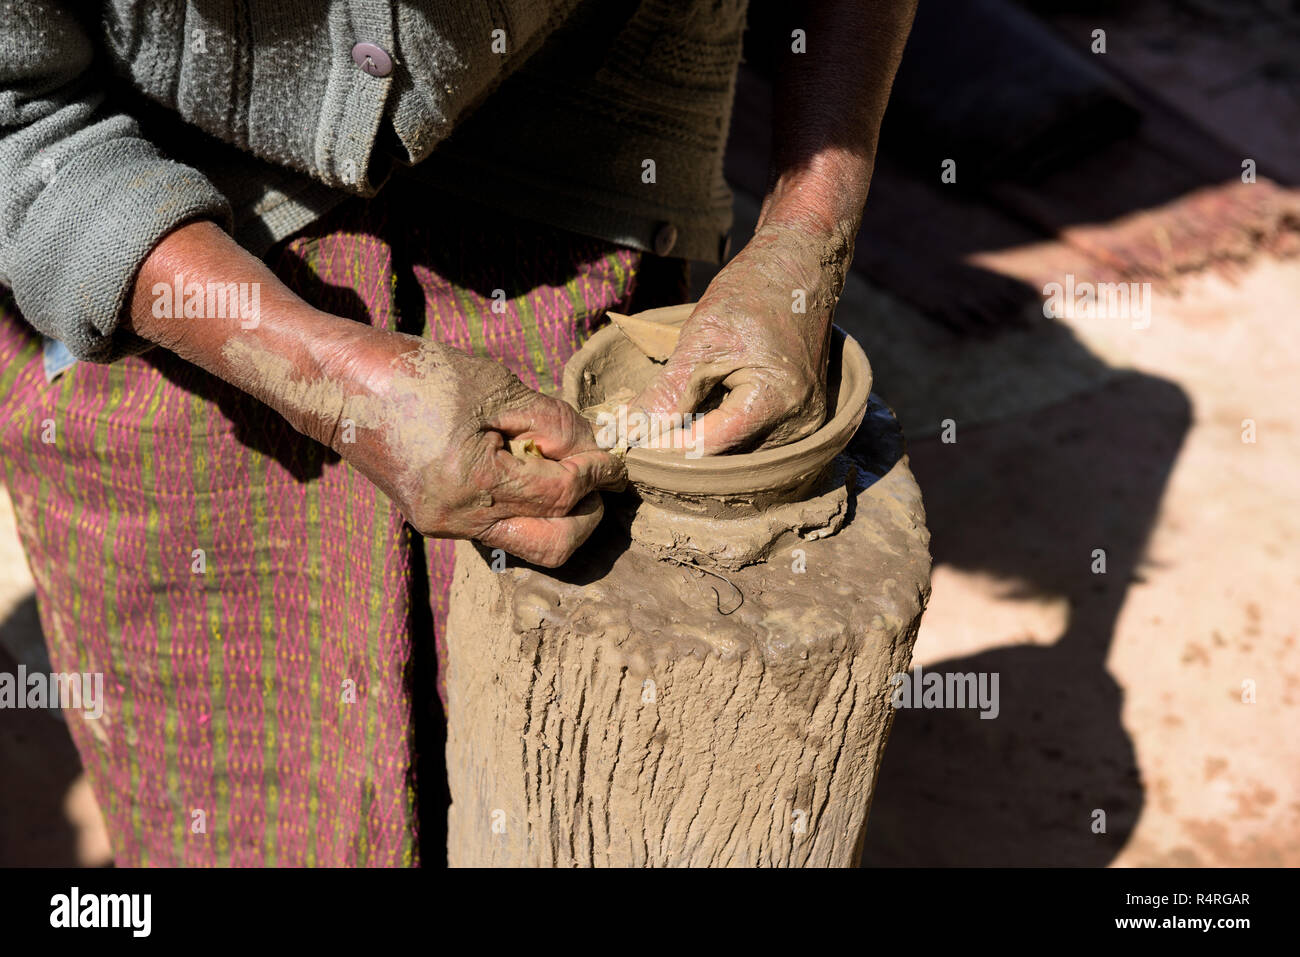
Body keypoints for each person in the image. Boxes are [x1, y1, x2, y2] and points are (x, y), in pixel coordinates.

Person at [0, 0, 916, 865]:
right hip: (146, 187)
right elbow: (18, 126)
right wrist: (317, 369)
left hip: (581, 130)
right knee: (252, 779)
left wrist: (809, 228)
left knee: (582, 747)